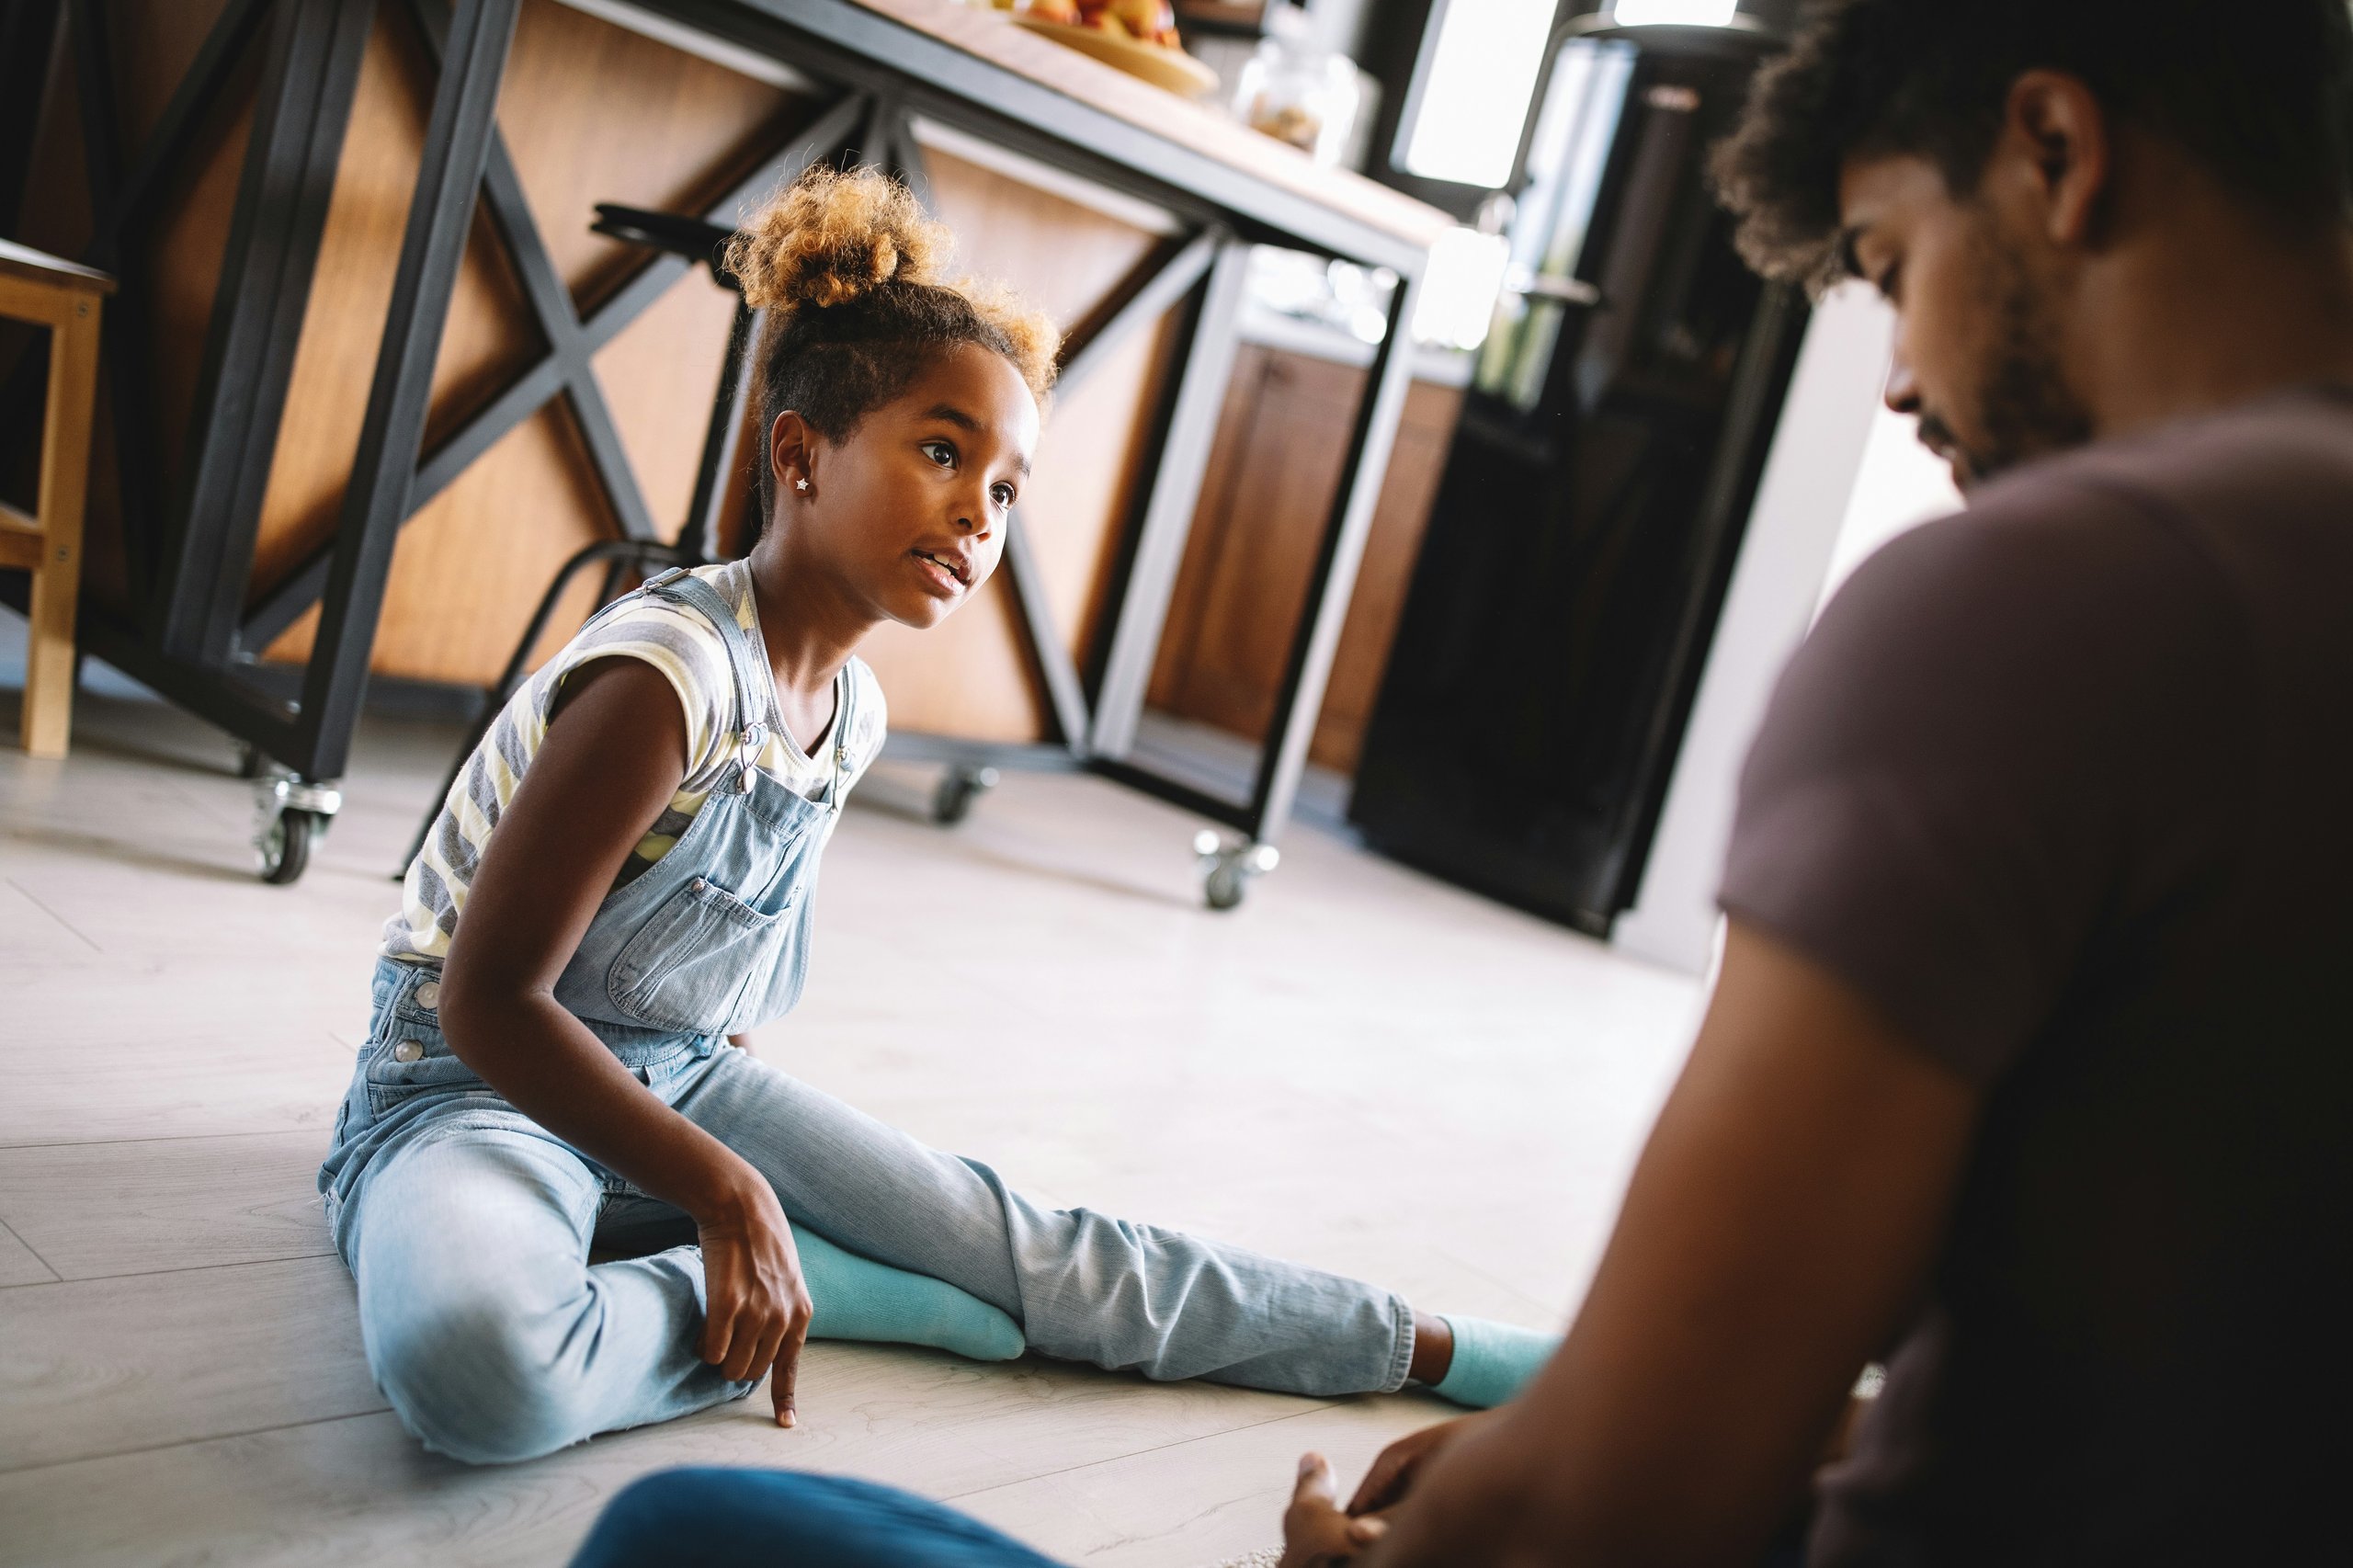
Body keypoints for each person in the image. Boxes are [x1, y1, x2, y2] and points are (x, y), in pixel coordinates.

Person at [559, 0, 2353, 1559]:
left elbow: (1618, 1509)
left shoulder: (2037, 609)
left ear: (2052, 147)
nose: (1895, 378)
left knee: (680, 1531)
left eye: (1885, 268)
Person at [315, 165, 1552, 1468]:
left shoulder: (849, 713)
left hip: (678, 1082)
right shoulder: (664, 679)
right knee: (480, 1367)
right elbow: (484, 1003)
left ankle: (1427, 1344)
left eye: (1008, 490)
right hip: (472, 1096)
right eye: (945, 451)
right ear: (801, 453)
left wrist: (744, 1151)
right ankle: (811, 1293)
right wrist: (728, 1189)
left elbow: (719, 993)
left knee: (1031, 1248)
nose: (980, 510)